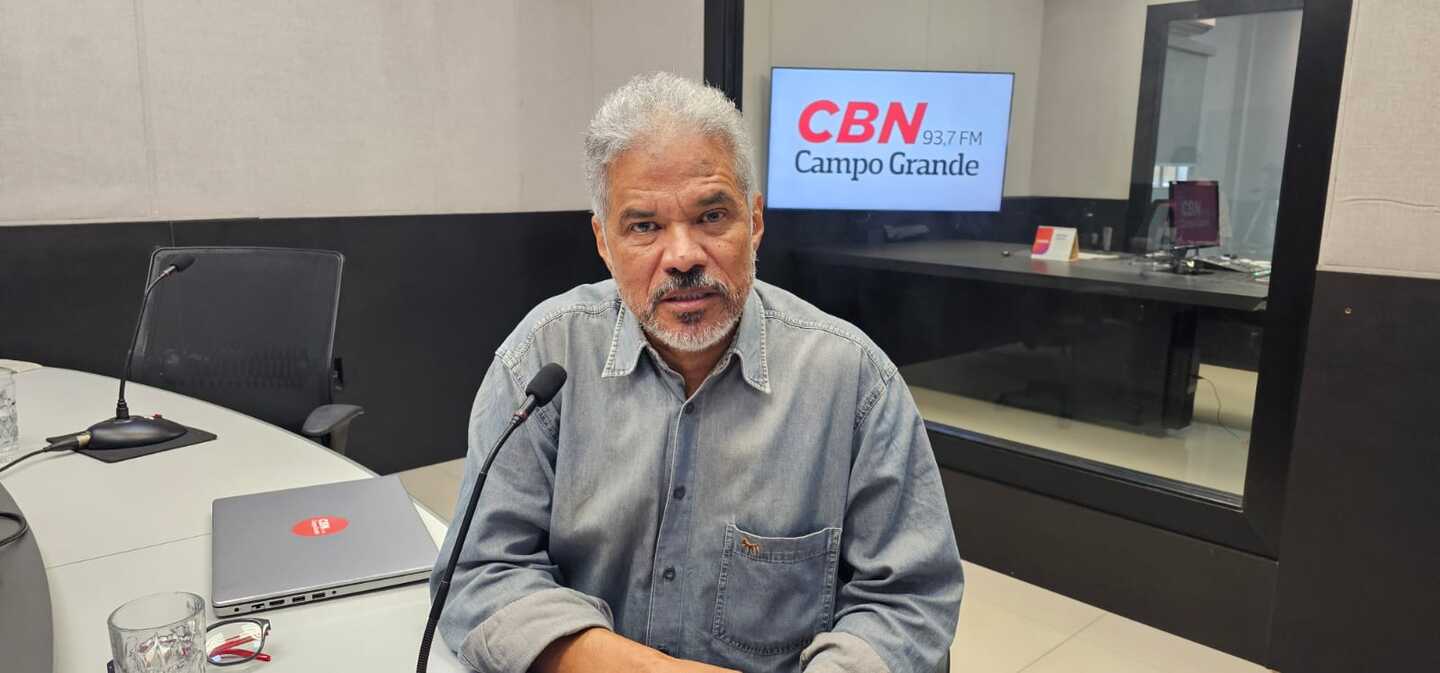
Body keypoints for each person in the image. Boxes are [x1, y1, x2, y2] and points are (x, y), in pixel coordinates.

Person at [431, 72, 962, 673]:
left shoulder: (853, 380)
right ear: (604, 241)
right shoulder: (542, 359)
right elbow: (480, 575)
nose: (683, 256)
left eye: (712, 216)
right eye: (644, 226)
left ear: (755, 222)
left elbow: (907, 604)